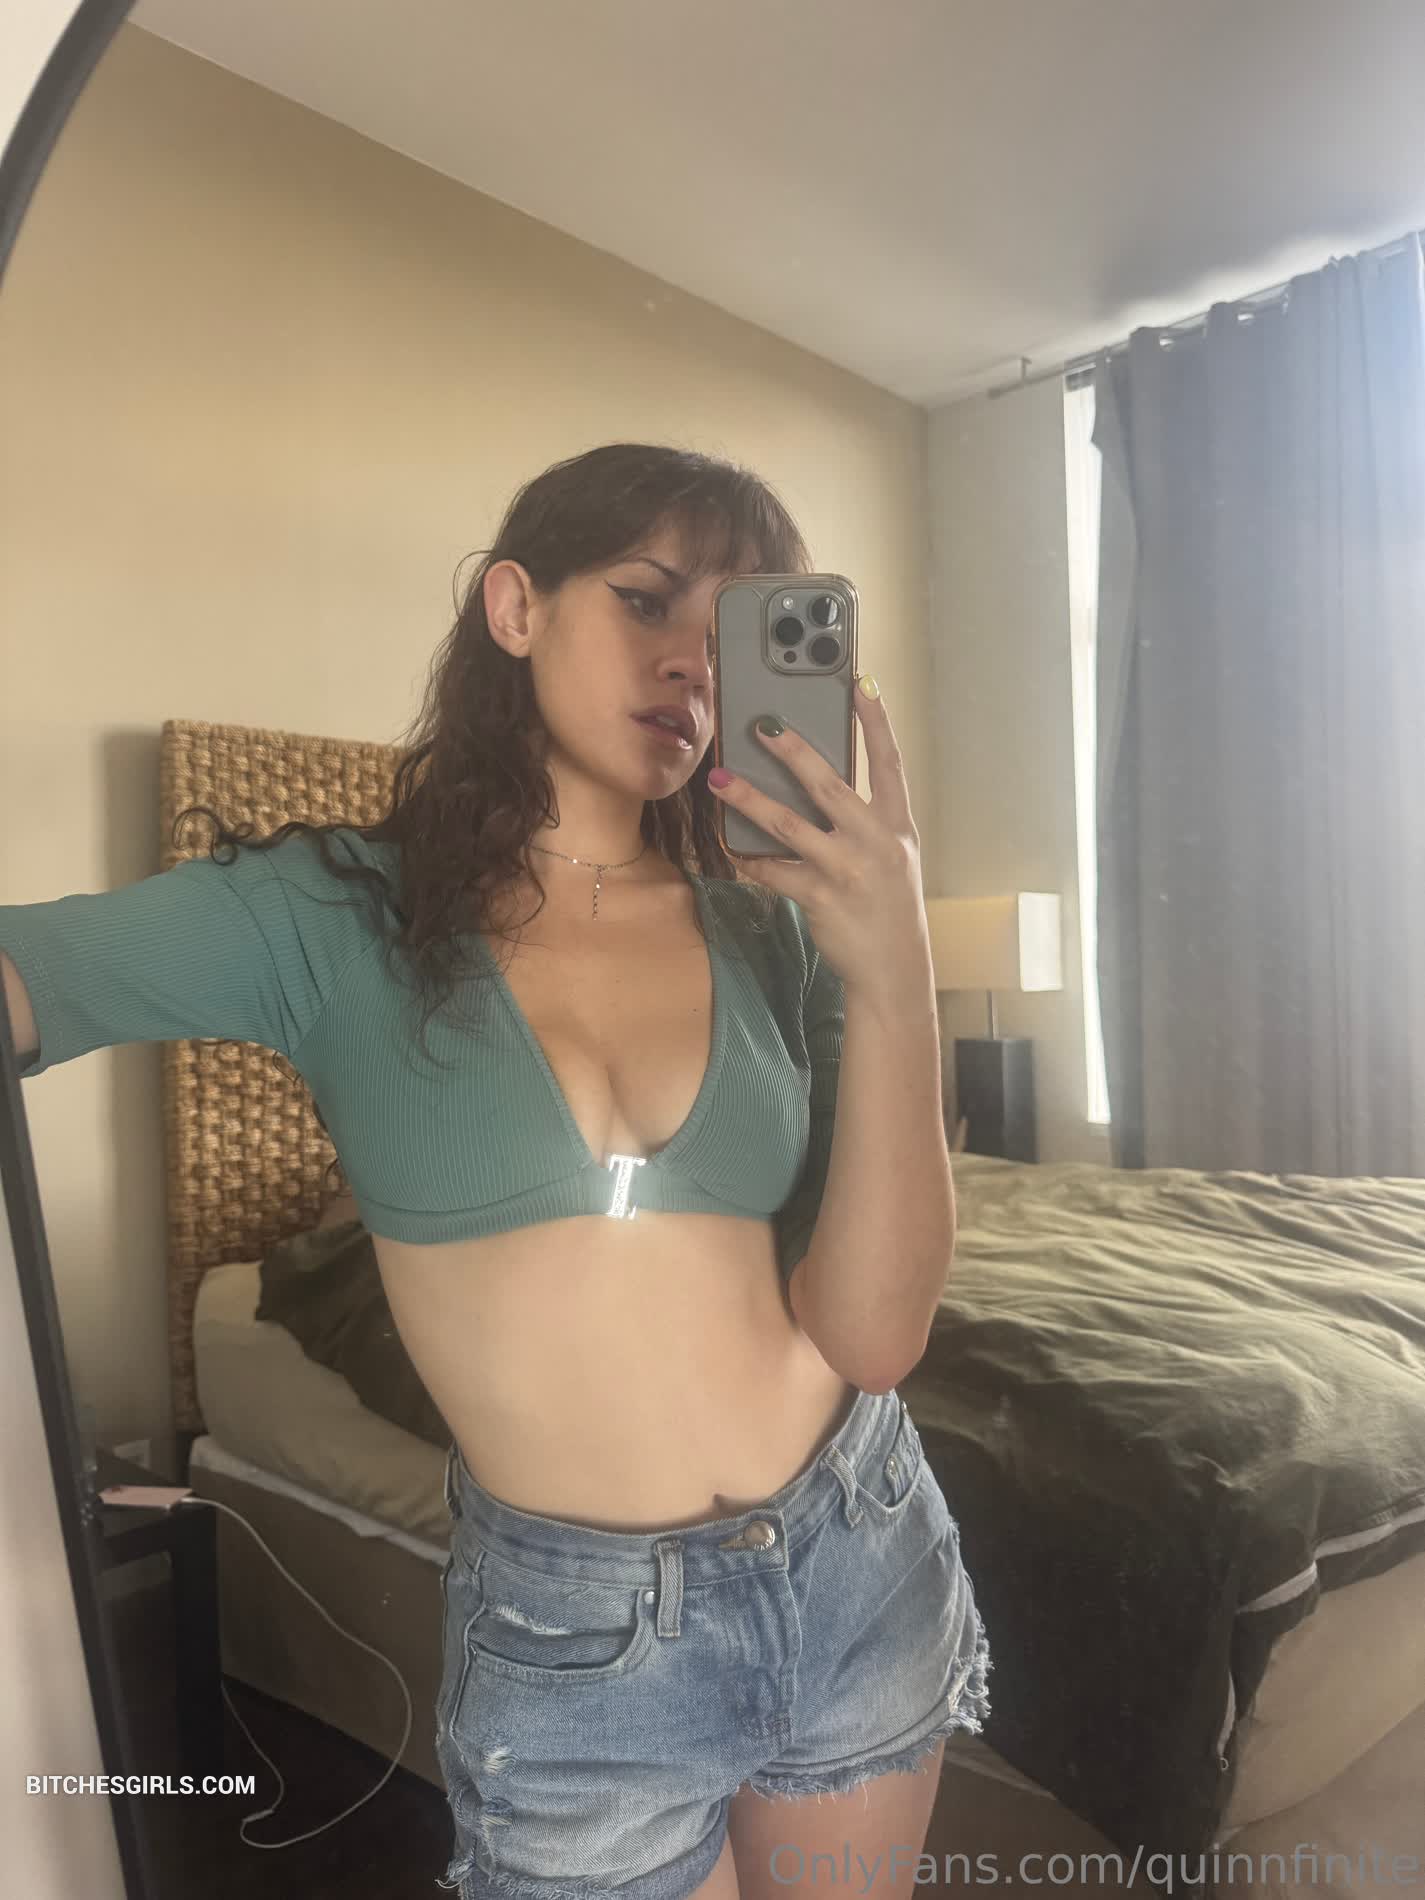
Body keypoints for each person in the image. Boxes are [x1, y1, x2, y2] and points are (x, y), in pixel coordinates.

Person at [0, 442, 990, 1900]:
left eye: (727, 628)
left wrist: (897, 970)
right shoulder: (329, 915)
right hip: (584, 1651)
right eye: (645, 597)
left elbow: (876, 1335)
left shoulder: (774, 928)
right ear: (515, 607)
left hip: (857, 1550)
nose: (691, 662)